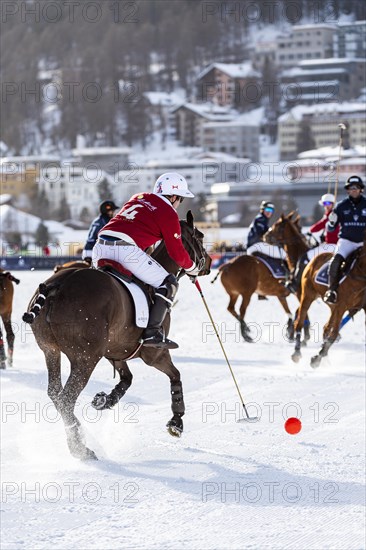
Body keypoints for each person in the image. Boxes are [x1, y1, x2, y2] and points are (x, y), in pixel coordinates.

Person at [92, 172, 200, 349]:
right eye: (180, 199)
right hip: (125, 250)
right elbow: (176, 251)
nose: (179, 204)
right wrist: (192, 267)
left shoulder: (138, 197)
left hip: (100, 247)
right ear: (173, 196)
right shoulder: (168, 213)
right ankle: (152, 333)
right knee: (168, 284)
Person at [285, 193, 339, 294]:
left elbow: (315, 228)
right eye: (324, 203)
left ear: (332, 204)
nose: (326, 205)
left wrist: (310, 231)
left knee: (305, 257)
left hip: (332, 246)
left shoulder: (331, 215)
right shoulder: (330, 215)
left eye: (328, 203)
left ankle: (295, 284)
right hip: (330, 244)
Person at [324, 175, 366, 304]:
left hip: (363, 243)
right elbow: (331, 229)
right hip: (346, 242)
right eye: (351, 188)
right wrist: (331, 223)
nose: (354, 190)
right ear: (348, 190)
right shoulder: (341, 206)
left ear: (361, 189)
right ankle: (332, 290)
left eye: (356, 188)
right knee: (335, 261)